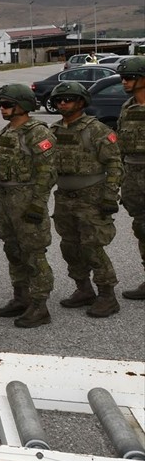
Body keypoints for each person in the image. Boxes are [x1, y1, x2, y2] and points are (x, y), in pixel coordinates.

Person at [0, 84, 57, 328]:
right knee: (13, 251)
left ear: (22, 106)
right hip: (6, 201)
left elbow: (47, 172)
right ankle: (21, 297)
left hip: (27, 201)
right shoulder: (3, 134)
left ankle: (39, 305)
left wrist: (37, 204)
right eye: (1, 104)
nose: (1, 108)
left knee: (34, 254)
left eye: (6, 104)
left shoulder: (37, 133)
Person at [48, 82, 123, 318]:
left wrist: (110, 196)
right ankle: (83, 289)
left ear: (81, 102)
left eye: (68, 99)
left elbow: (114, 164)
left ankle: (107, 295)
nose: (62, 103)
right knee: (69, 247)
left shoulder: (97, 130)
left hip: (92, 197)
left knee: (92, 247)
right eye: (59, 100)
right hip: (64, 198)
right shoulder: (54, 131)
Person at [116, 56, 145, 300]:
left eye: (130, 77)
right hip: (133, 174)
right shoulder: (127, 107)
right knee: (141, 227)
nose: (124, 82)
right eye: (123, 78)